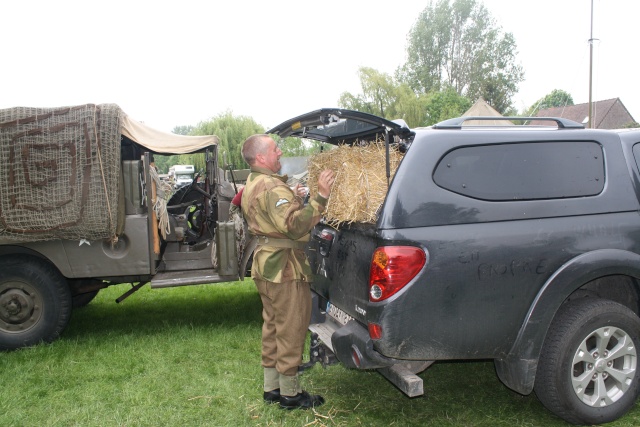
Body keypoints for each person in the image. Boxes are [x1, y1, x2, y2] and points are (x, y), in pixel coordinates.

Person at [240, 134, 335, 410]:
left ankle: (272, 388)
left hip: (266, 266)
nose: (280, 152)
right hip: (284, 269)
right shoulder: (271, 187)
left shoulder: (254, 182)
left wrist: (294, 198)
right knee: (291, 329)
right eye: (274, 149)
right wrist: (321, 197)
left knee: (272, 327)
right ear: (260, 158)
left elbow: (274, 217)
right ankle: (291, 395)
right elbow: (294, 226)